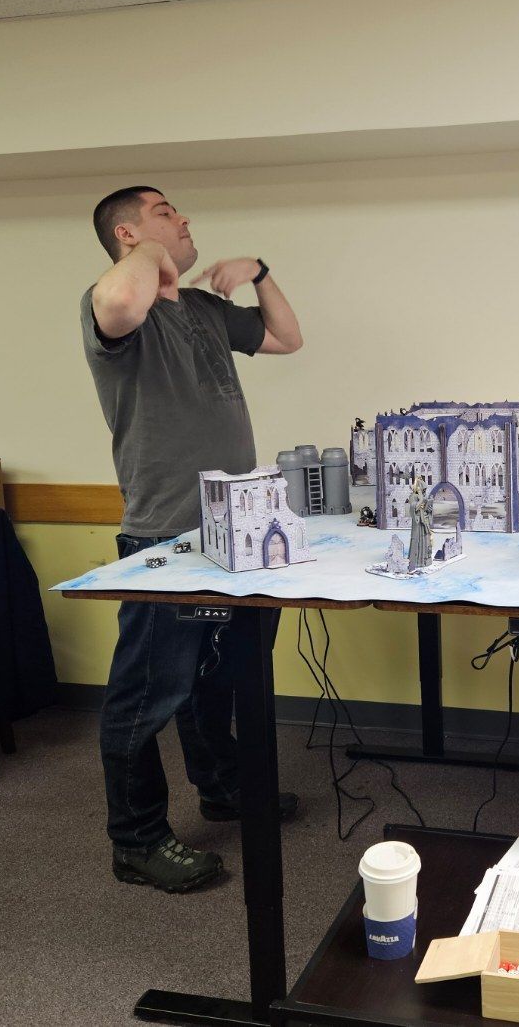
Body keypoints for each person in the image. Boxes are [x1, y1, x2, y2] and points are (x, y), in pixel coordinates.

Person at [82, 186, 304, 892]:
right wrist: (150, 251)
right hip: (164, 538)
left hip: (237, 532)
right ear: (126, 234)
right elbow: (119, 303)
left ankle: (221, 787)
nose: (183, 218)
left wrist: (261, 271)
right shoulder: (118, 306)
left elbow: (286, 337)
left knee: (218, 678)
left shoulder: (205, 311)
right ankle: (137, 839)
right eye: (163, 211)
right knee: (147, 693)